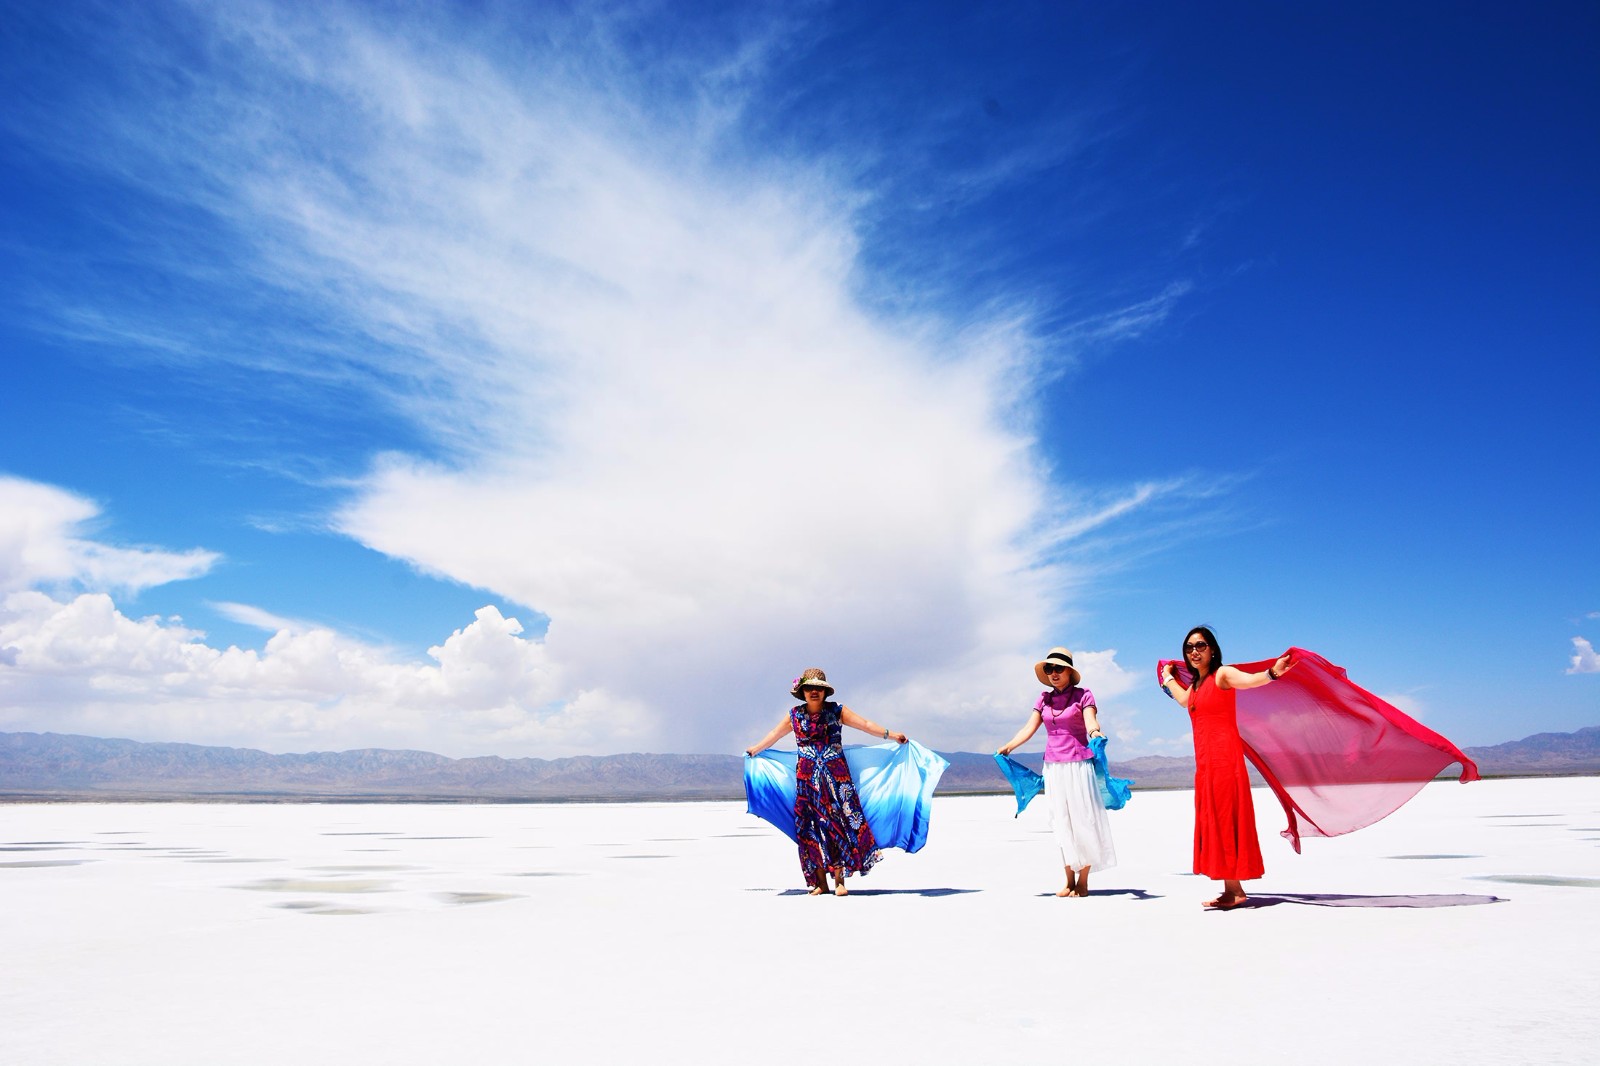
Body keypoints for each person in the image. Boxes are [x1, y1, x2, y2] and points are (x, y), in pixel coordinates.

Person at [1160, 626, 1294, 910]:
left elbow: (1250, 681)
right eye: (1189, 648)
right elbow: (1183, 699)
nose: (1194, 651)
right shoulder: (1195, 688)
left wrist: (1273, 672)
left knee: (1225, 817)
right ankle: (1231, 888)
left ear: (1212, 649)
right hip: (1206, 765)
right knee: (1215, 820)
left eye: (1200, 645)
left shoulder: (1223, 674)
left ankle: (1235, 890)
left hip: (1225, 762)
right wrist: (1168, 677)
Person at [744, 668, 908, 896]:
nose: (814, 692)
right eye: (809, 688)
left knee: (836, 824)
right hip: (806, 780)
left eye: (818, 688)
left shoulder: (837, 711)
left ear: (824, 691)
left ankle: (840, 880)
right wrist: (755, 749)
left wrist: (891, 734)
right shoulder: (794, 715)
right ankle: (820, 882)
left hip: (836, 779)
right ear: (802, 691)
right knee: (809, 827)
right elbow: (775, 734)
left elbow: (866, 724)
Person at [997, 647, 1116, 897]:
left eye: (1058, 668)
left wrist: (1095, 733)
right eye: (1049, 669)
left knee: (1082, 820)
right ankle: (1068, 880)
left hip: (1078, 764)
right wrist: (1009, 746)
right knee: (1061, 821)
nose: (1053, 673)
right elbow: (1029, 728)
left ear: (1070, 672)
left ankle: (1082, 881)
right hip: (1053, 767)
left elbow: (1090, 721)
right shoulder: (1044, 699)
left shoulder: (1084, 695)